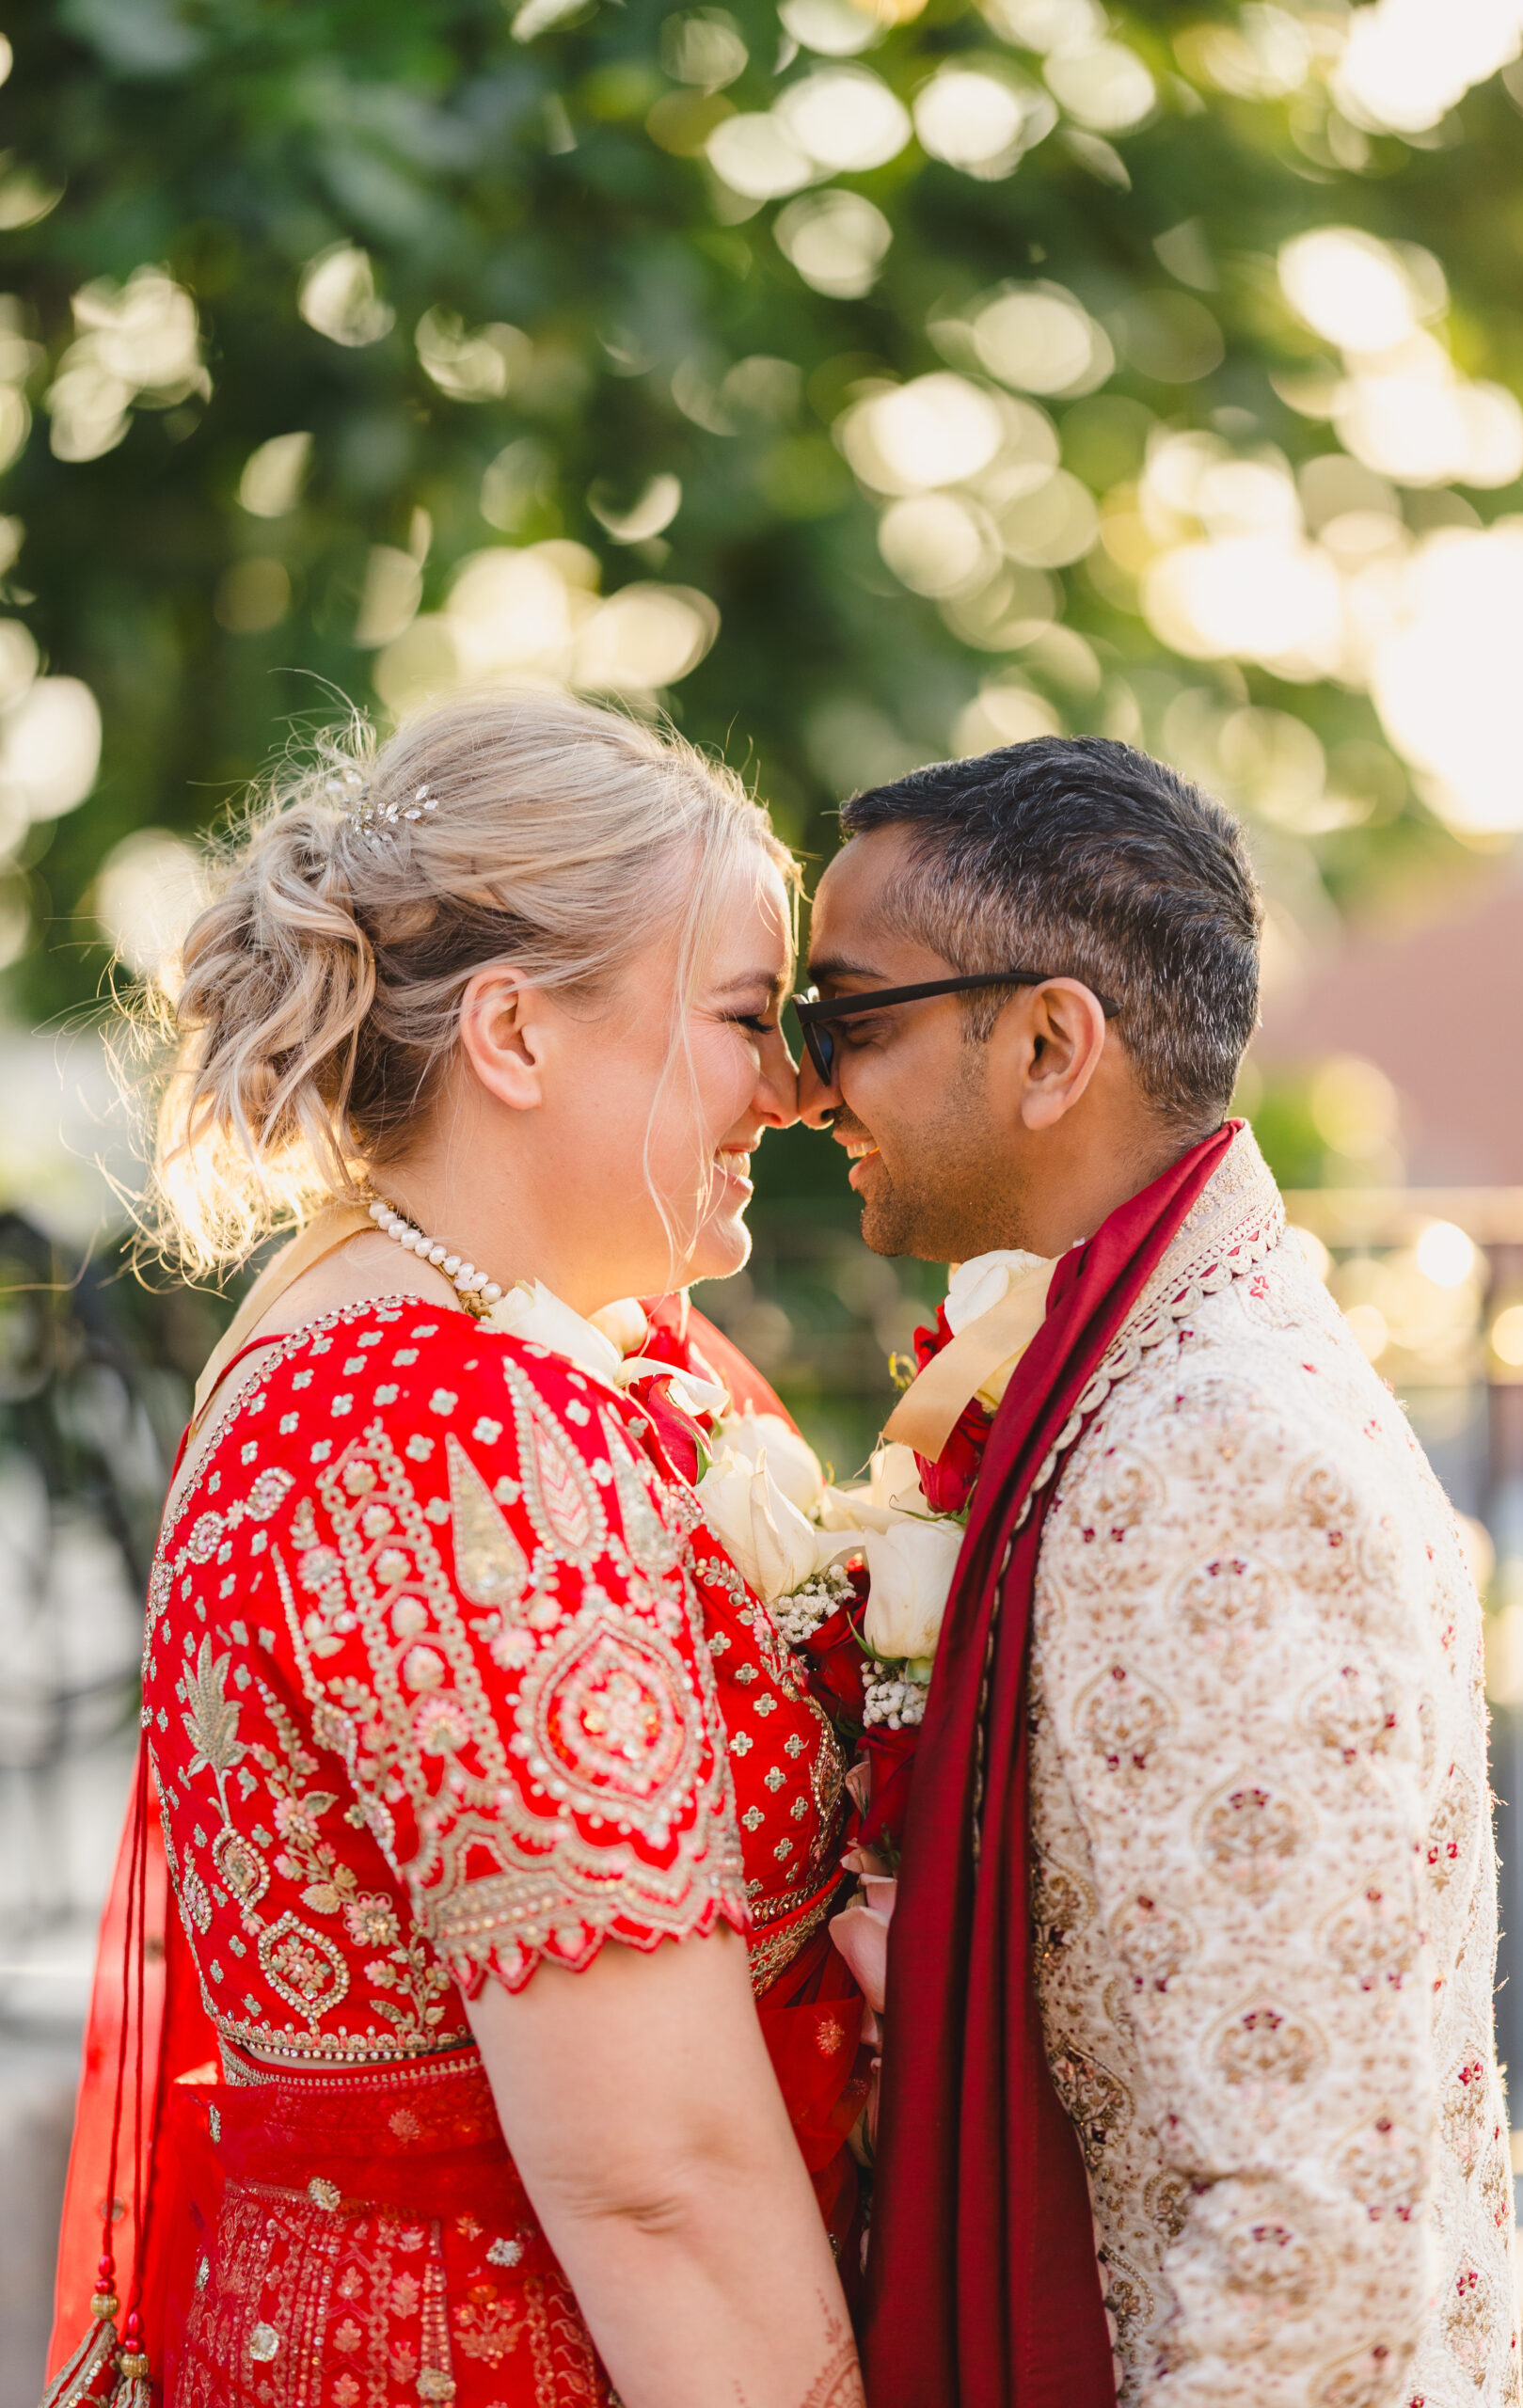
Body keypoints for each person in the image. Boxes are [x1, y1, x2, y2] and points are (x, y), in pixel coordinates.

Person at [43, 694, 866, 2408]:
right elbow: (659, 2183)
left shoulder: (375, 1349)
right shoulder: (449, 1431)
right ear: (514, 1032)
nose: (795, 1088)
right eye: (743, 1016)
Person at [798, 736, 1518, 2408]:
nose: (809, 1088)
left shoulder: (1210, 1452)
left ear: (1051, 1046)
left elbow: (1305, 2245)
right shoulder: (1155, 1370)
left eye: (849, 1020)